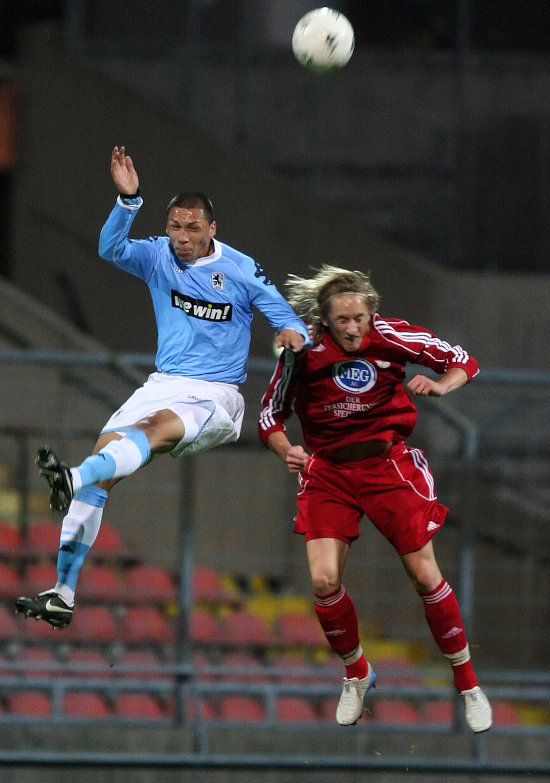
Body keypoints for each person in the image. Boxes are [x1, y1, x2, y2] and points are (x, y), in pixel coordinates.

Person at [15, 145, 309, 630]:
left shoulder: (240, 268)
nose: (182, 237)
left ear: (212, 229)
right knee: (106, 460)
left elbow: (288, 319)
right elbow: (110, 249)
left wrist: (292, 335)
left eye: (193, 228)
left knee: (149, 432)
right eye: (175, 226)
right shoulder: (157, 256)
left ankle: (72, 478)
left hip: (215, 395)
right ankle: (62, 594)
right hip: (162, 384)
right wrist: (127, 202)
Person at [257, 264, 492, 733]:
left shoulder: (391, 336)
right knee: (323, 580)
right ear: (324, 321)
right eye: (342, 320)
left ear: (372, 314)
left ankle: (468, 684)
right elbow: (270, 415)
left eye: (359, 318)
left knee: (425, 574)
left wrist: (441, 385)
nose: (352, 328)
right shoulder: (302, 352)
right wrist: (287, 450)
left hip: (387, 467)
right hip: (328, 472)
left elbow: (464, 361)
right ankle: (357, 673)